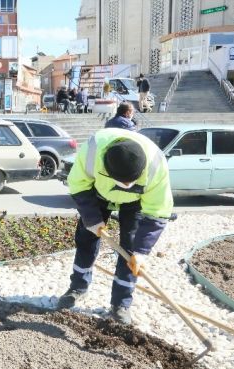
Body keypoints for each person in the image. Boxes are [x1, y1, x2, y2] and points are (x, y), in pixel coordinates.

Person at [57, 128, 173, 324]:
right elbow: (78, 184)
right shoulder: (93, 150)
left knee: (130, 251)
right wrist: (92, 218)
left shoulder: (156, 165)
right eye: (121, 181)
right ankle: (77, 288)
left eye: (130, 181)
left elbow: (158, 211)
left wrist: (142, 251)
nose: (126, 185)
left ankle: (121, 304)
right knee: (86, 239)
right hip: (98, 195)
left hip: (135, 203)